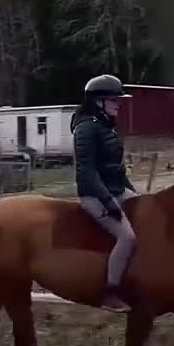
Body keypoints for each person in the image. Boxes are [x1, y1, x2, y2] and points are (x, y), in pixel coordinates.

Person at [71, 75, 137, 311]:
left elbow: (114, 168)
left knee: (151, 213)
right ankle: (110, 291)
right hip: (94, 196)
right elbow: (86, 172)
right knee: (127, 236)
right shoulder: (85, 128)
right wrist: (108, 202)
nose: (118, 104)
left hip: (117, 190)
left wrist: (134, 193)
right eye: (113, 100)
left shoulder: (106, 126)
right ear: (98, 102)